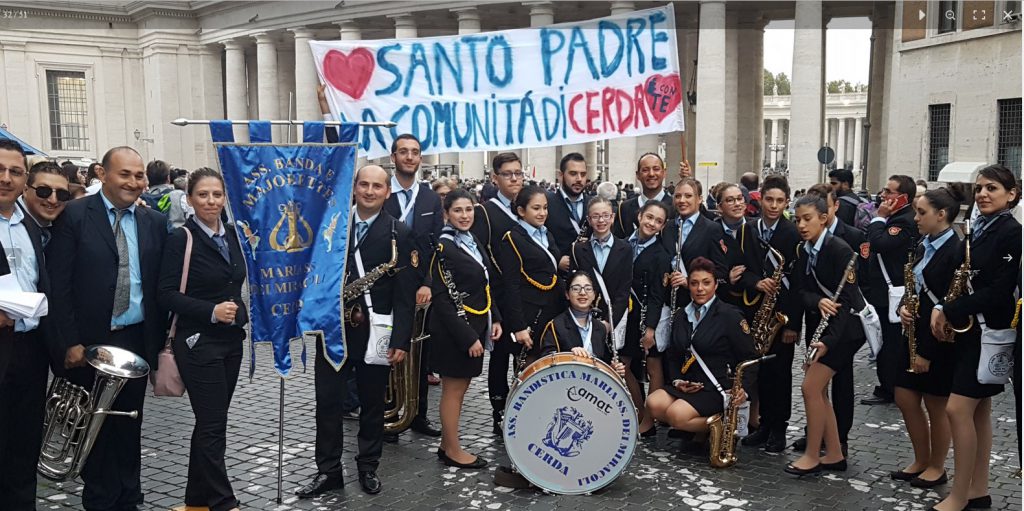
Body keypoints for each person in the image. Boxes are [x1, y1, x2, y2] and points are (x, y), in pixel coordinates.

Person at [47, 146, 169, 510]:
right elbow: (60, 284)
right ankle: (100, 499)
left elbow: (159, 285)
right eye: (125, 174)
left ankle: (130, 496)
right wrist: (70, 341)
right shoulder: (73, 215)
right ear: (102, 173)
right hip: (90, 341)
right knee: (91, 427)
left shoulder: (154, 223)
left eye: (140, 175)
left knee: (129, 424)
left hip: (134, 339)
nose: (134, 182)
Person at [298, 165, 417, 498]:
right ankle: (328, 471)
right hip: (332, 329)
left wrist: (400, 339)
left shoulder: (400, 232)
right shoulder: (330, 224)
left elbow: (405, 294)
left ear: (387, 192)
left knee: (372, 403)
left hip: (374, 331)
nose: (369, 191)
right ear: (354, 187)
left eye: (376, 186)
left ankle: (368, 467)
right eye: (363, 184)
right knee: (328, 402)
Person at [930, 165, 1020, 511]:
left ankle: (959, 494)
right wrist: (942, 304)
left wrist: (949, 310)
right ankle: (978, 490)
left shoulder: (1012, 232)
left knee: (957, 408)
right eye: (979, 188)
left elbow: (1000, 290)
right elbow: (959, 275)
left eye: (992, 188)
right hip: (970, 331)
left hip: (989, 330)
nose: (982, 194)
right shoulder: (978, 228)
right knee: (978, 411)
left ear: (1011, 194)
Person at [157, 168, 246, 511]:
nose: (211, 201)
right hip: (197, 342)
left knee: (212, 421)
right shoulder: (182, 237)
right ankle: (224, 502)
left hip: (231, 341)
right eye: (203, 195)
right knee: (212, 424)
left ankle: (195, 501)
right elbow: (165, 293)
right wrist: (210, 310)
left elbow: (235, 283)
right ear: (190, 199)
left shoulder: (234, 236)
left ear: (225, 198)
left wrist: (237, 311)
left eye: (217, 195)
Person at [890, 187, 966, 491]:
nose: (915, 218)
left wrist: (928, 353)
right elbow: (912, 286)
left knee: (936, 403)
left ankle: (937, 466)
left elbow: (950, 302)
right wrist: (903, 306)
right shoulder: (923, 244)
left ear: (941, 215)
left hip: (937, 337)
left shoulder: (955, 250)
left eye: (921, 212)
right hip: (912, 331)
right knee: (904, 396)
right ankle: (920, 459)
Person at [786, 194, 866, 476]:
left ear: (824, 217)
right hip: (827, 328)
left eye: (807, 219)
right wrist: (817, 301)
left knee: (810, 388)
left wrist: (827, 342)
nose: (802, 225)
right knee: (817, 390)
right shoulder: (804, 249)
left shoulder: (839, 249)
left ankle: (812, 453)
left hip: (846, 332)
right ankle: (834, 453)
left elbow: (848, 301)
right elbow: (801, 291)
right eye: (798, 220)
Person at [0, 140, 58, 509]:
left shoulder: (31, 226)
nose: (6, 178)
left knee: (23, 449)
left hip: (30, 350)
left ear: (25, 180)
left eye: (15, 171)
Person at [429, 188, 502, 469]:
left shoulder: (471, 240)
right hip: (455, 332)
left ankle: (447, 443)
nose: (464, 215)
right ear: (446, 214)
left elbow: (484, 283)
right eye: (457, 210)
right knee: (453, 390)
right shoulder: (444, 247)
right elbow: (443, 299)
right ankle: (453, 450)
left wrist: (494, 318)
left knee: (459, 388)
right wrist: (469, 337)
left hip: (475, 323)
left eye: (469, 209)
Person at [645, 257, 757, 435]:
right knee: (653, 404)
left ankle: (724, 427)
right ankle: (704, 429)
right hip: (689, 384)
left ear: (716, 285)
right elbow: (673, 355)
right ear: (688, 285)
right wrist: (677, 381)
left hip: (716, 386)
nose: (700, 289)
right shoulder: (681, 315)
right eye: (694, 283)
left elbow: (750, 357)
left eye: (706, 283)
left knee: (677, 415)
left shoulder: (730, 315)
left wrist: (743, 389)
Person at [735, 176, 803, 453]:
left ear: (787, 202)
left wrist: (793, 324)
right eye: (769, 200)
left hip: (782, 316)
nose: (773, 206)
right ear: (760, 199)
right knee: (758, 370)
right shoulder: (749, 229)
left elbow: (800, 282)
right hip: (755, 310)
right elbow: (741, 269)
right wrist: (755, 282)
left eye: (779, 201)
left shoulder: (794, 232)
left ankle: (779, 428)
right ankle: (762, 424)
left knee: (780, 373)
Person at [382, 133, 443, 440]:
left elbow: (436, 246)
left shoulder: (431, 198)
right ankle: (387, 413)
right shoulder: (381, 192)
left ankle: (418, 413)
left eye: (415, 152)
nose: (409, 157)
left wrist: (430, 283)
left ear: (420, 159)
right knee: (386, 349)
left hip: (420, 288)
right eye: (403, 152)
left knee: (421, 352)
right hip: (384, 286)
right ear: (393, 157)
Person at [469, 152, 525, 434]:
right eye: (507, 174)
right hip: (501, 297)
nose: (514, 178)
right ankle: (499, 408)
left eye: (518, 173)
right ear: (495, 178)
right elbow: (481, 259)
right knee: (501, 355)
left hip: (527, 297)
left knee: (525, 353)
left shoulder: (529, 206)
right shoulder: (485, 213)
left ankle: (525, 404)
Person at [862, 175, 919, 406]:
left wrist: (880, 218)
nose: (884, 196)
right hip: (882, 290)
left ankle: (890, 387)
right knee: (886, 339)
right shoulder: (897, 217)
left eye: (889, 192)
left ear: (903, 197)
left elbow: (878, 243)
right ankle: (888, 384)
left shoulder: (903, 220)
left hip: (891, 292)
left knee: (891, 342)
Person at [495, 185, 562, 367]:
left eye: (545, 207)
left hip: (551, 310)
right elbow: (511, 285)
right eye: (536, 208)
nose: (542, 213)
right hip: (529, 313)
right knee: (528, 368)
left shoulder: (546, 233)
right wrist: (519, 327)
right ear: (521, 211)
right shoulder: (512, 239)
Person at [621, 200, 671, 437]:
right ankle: (640, 412)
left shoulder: (661, 254)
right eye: (649, 217)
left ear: (663, 226)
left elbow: (656, 295)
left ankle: (650, 419)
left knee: (653, 365)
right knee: (625, 365)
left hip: (647, 318)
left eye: (658, 221)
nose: (652, 223)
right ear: (640, 216)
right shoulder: (623, 243)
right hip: (626, 317)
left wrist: (650, 329)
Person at [539, 270, 626, 378]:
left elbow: (604, 361)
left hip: (592, 389)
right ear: (567, 294)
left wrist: (613, 368)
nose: (582, 293)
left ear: (594, 295)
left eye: (588, 288)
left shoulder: (600, 328)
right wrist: (567, 356)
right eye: (576, 288)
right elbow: (544, 361)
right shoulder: (556, 325)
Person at [613, 153, 675, 239]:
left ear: (664, 173)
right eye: (645, 170)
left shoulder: (675, 207)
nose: (651, 174)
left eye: (656, 169)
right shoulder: (623, 209)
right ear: (638, 175)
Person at [546, 152, 592, 259]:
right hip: (559, 273)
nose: (579, 179)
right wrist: (556, 260)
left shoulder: (593, 204)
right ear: (561, 175)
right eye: (573, 174)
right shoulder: (546, 204)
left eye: (583, 174)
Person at [19, 160, 71, 247]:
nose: (53, 200)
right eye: (44, 191)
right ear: (25, 190)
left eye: (62, 194)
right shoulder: (7, 225)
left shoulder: (66, 223)